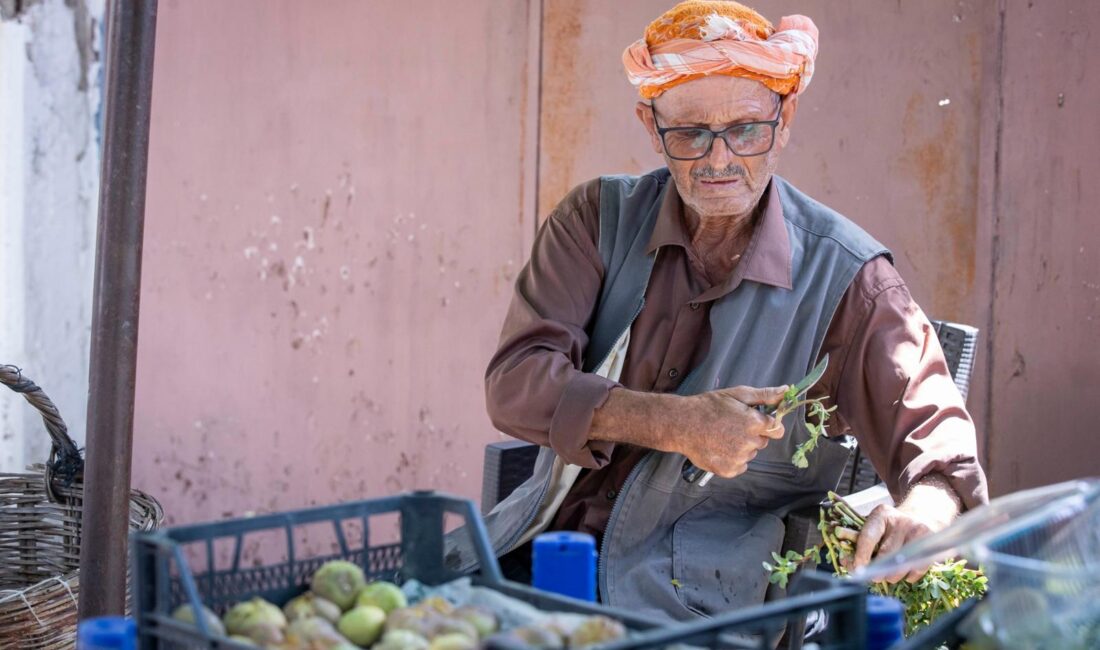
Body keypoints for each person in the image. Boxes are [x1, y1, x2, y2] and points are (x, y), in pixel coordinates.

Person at [464, 0, 989, 621]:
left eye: (746, 130)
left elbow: (941, 452)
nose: (719, 160)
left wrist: (922, 514)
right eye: (689, 134)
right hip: (534, 558)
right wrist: (673, 423)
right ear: (651, 126)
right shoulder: (594, 221)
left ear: (784, 118)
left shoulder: (851, 281)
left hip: (697, 605)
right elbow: (515, 385)